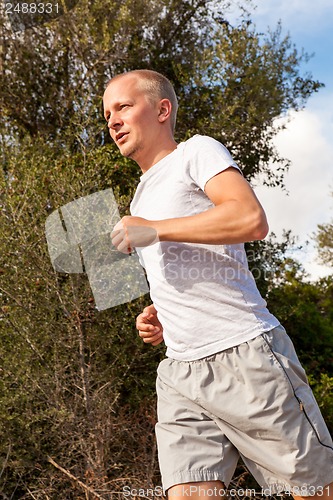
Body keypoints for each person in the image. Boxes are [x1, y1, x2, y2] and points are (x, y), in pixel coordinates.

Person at [103, 69, 333, 500]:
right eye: (107, 114)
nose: (112, 120)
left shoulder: (197, 152)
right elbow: (188, 268)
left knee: (314, 492)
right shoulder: (139, 196)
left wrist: (154, 229)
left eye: (123, 107)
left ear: (162, 110)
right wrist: (160, 316)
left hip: (244, 354)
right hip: (180, 371)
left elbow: (250, 219)